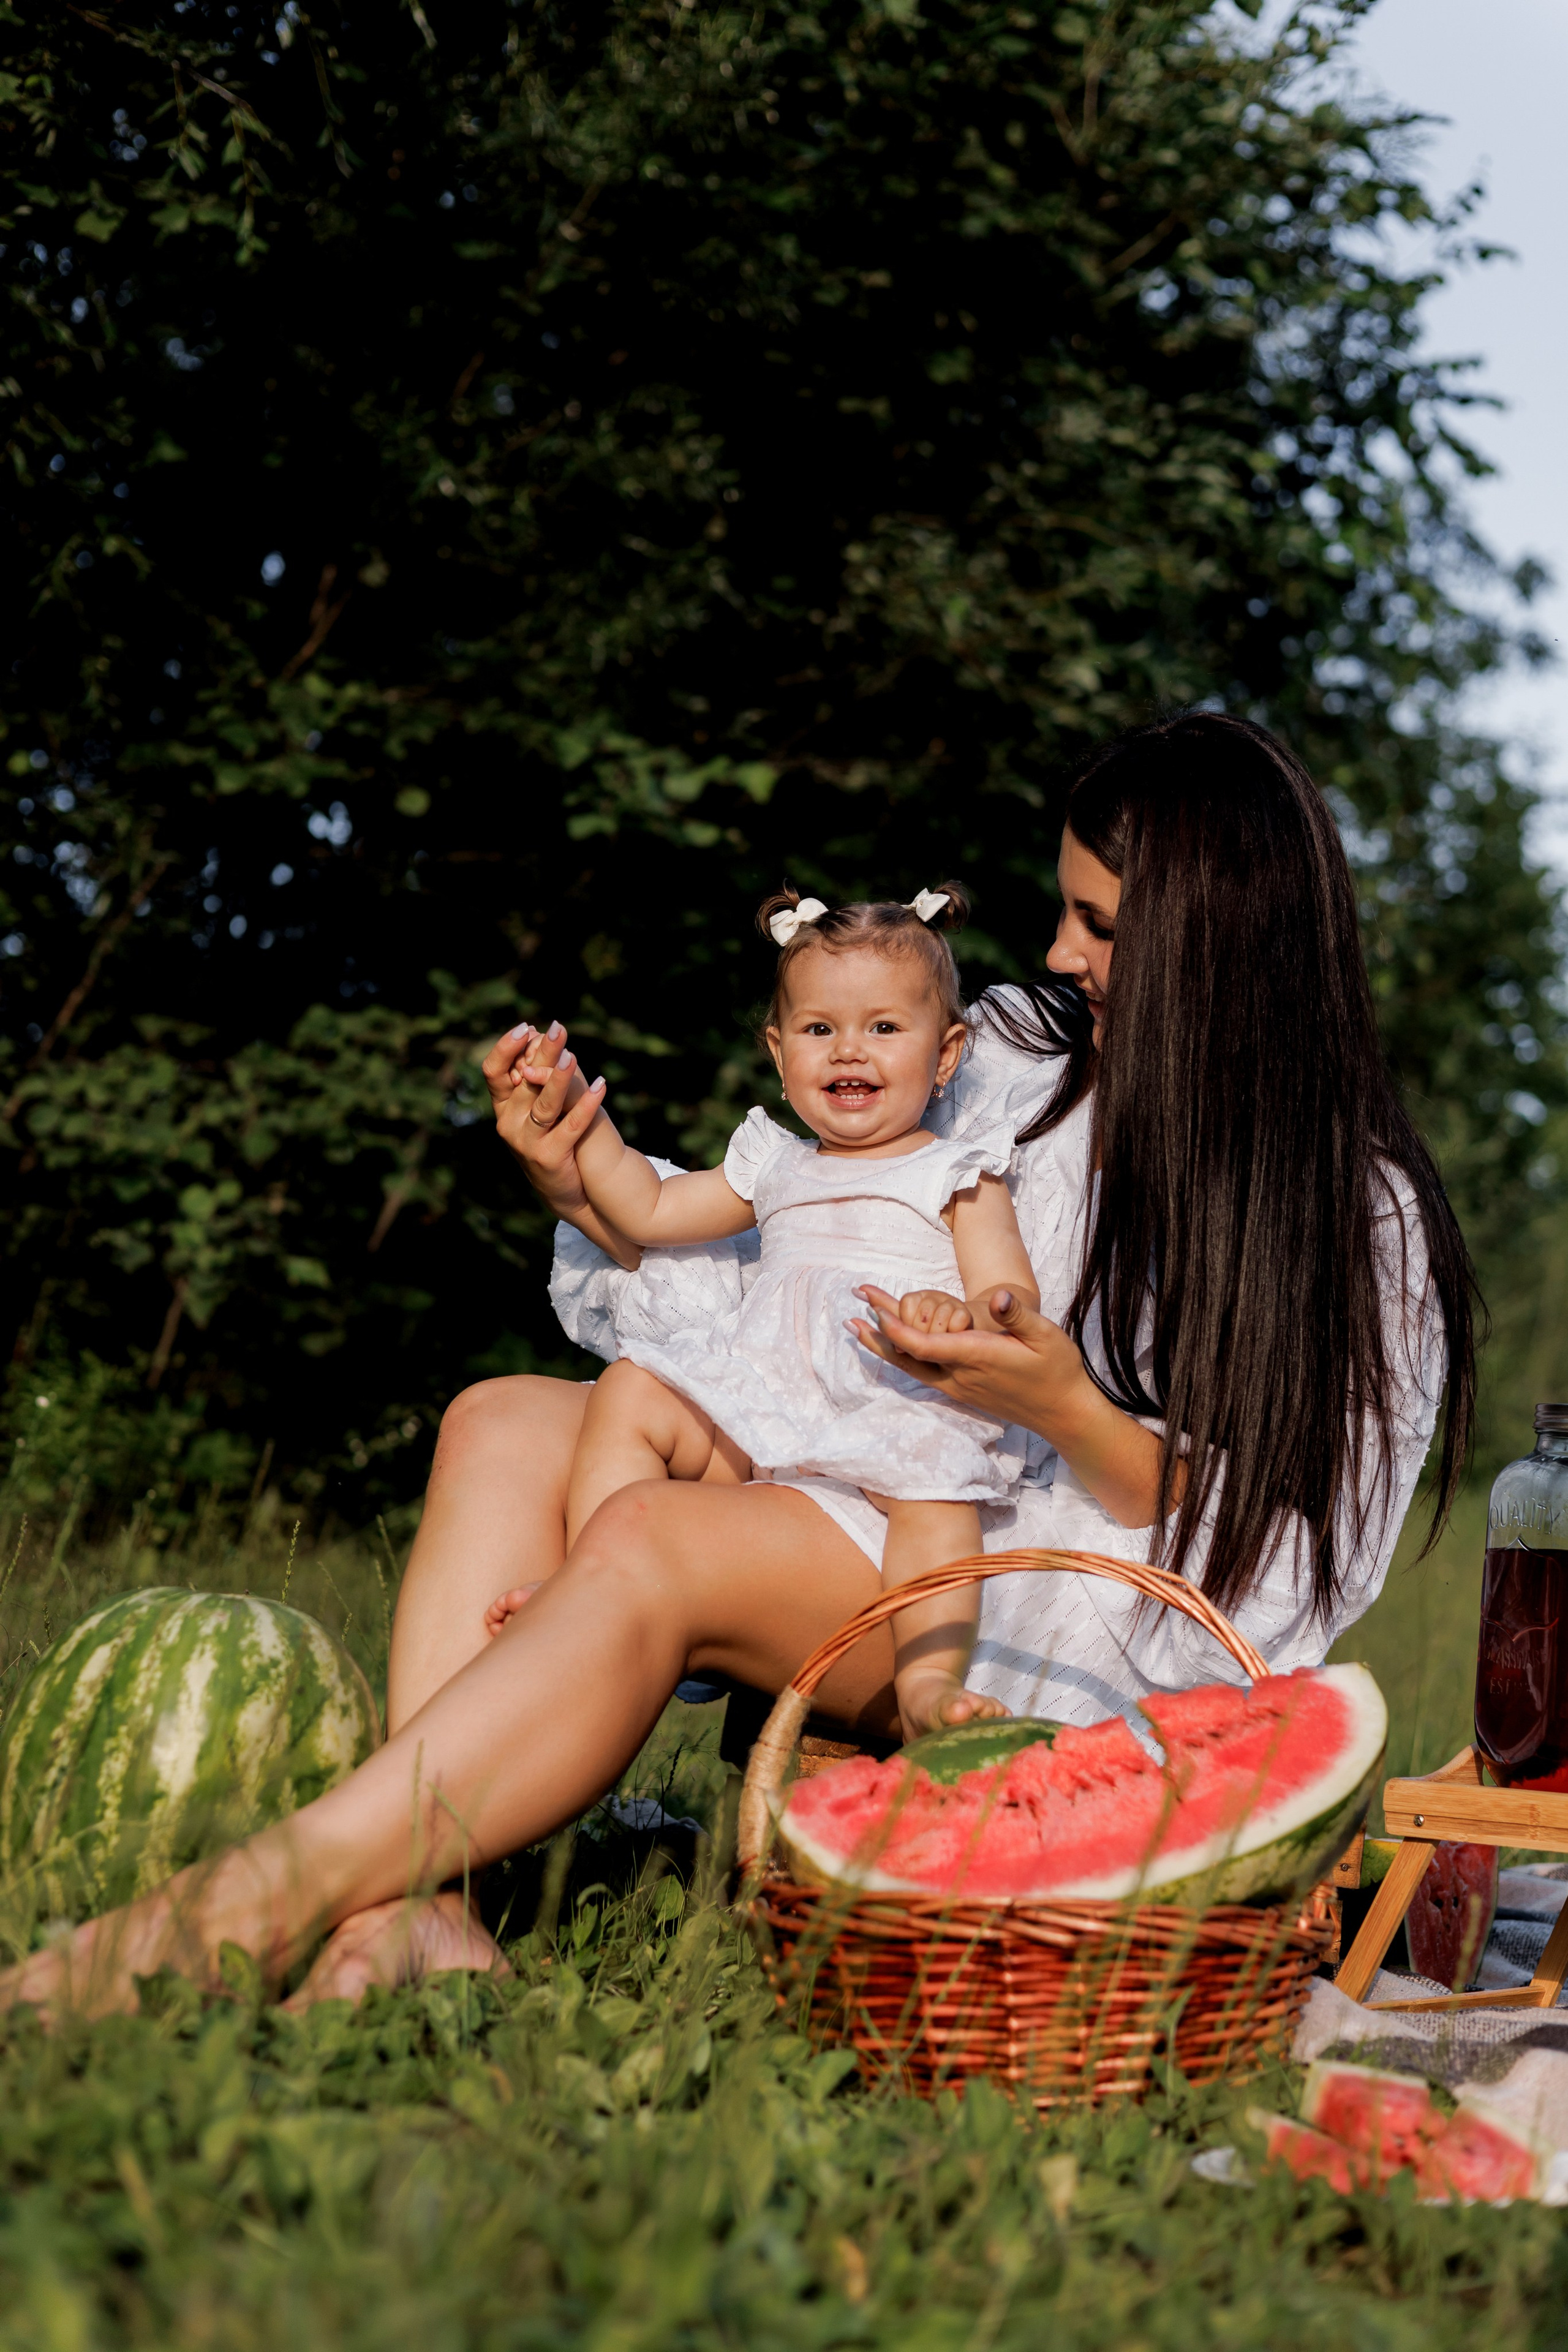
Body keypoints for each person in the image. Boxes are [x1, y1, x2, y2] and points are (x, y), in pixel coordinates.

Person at [0, 712, 1477, 2016]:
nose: (1054, 953)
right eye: (1059, 913)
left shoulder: (1364, 1221)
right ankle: (421, 1912)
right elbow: (794, 1252)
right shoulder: (1016, 1054)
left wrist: (1057, 1405)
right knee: (503, 1422)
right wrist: (584, 1171)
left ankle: (259, 1896)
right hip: (874, 1479)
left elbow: (1280, 1573)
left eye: (1096, 924)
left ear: (1215, 939)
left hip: (1040, 1614)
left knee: (648, 1540)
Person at [484, 880, 1043, 1740]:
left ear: (946, 1053)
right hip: (762, 1421)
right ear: (780, 1054)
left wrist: (963, 1311)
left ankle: (928, 1681)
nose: (849, 1051)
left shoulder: (957, 1172)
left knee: (939, 1508)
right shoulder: (775, 1165)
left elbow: (1011, 1295)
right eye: (820, 1030)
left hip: (888, 1427)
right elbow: (649, 1211)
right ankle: (591, 1587)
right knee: (631, 1389)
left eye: (884, 1028)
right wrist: (583, 1126)